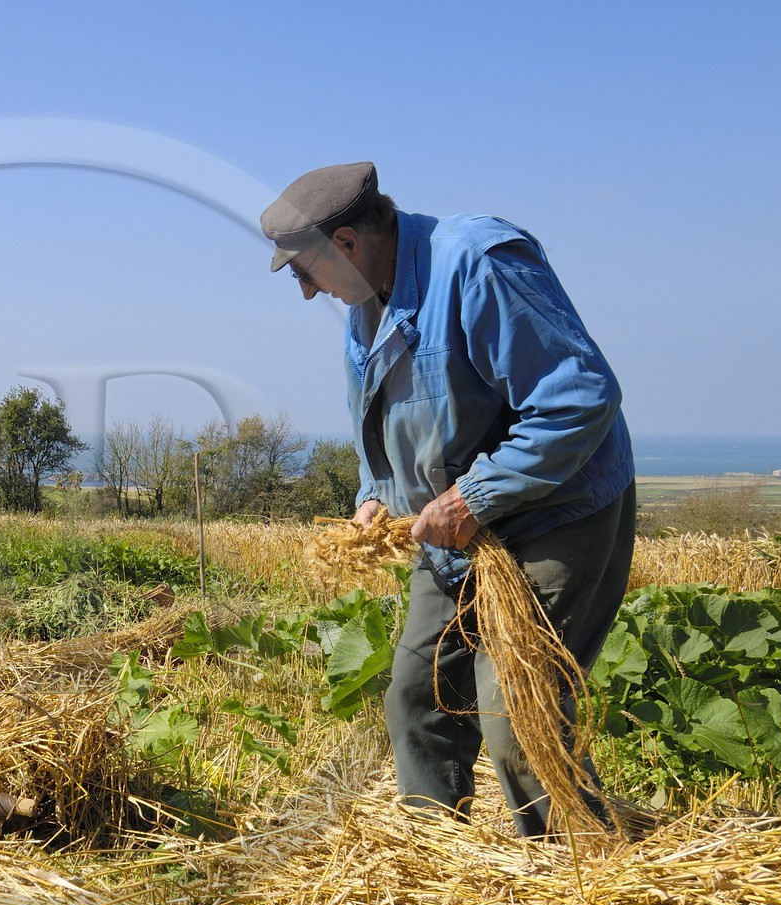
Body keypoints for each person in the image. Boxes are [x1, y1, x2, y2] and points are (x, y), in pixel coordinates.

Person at [261, 162, 635, 838]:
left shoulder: (479, 263)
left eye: (305, 273)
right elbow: (389, 427)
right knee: (418, 695)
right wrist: (375, 497)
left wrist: (472, 498)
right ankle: (432, 859)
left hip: (553, 510)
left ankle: (581, 868)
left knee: (518, 712)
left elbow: (579, 400)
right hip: (453, 535)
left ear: (345, 242)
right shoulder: (365, 305)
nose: (309, 292)